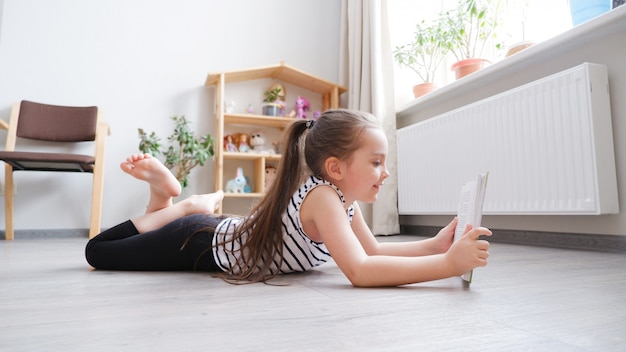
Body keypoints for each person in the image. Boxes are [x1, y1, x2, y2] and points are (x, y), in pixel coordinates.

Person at [85, 109, 492, 287]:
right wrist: (445, 265)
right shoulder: (323, 198)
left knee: (117, 247)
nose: (385, 173)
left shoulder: (340, 200)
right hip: (197, 240)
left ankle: (165, 200)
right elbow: (362, 272)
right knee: (98, 252)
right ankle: (182, 202)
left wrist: (436, 244)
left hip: (217, 231)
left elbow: (373, 253)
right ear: (336, 168)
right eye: (376, 162)